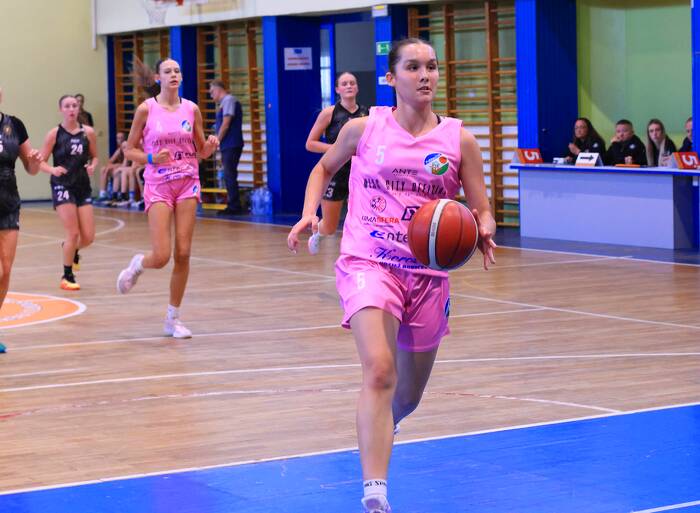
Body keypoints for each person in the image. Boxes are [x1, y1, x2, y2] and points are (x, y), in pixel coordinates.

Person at [287, 38, 496, 513]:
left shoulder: (459, 140)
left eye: (431, 67)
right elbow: (323, 169)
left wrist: (482, 226)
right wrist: (308, 213)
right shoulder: (364, 129)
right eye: (413, 67)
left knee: (407, 395)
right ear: (391, 77)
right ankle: (375, 492)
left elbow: (482, 207)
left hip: (428, 274)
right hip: (369, 261)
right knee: (380, 370)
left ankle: (386, 423)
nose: (425, 75)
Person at [116, 57, 219, 338]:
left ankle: (173, 319)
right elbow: (129, 150)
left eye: (177, 71)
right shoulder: (146, 109)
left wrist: (210, 146)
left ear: (181, 77)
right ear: (158, 78)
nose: (173, 74)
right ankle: (138, 264)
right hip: (159, 184)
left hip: (188, 182)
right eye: (167, 71)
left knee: (183, 253)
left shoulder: (191, 109)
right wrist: (151, 157)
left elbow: (201, 151)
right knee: (162, 256)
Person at [305, 72, 369, 253]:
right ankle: (318, 233)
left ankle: (356, 252)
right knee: (330, 227)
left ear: (357, 88)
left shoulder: (367, 113)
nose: (349, 86)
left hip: (359, 172)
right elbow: (310, 143)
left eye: (352, 83)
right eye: (344, 83)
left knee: (363, 219)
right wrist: (337, 149)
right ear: (337, 89)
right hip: (336, 172)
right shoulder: (329, 113)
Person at [39, 95, 98, 290]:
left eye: (74, 105)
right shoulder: (54, 134)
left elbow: (95, 157)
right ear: (61, 110)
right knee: (72, 232)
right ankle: (67, 276)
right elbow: (40, 161)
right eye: (67, 106)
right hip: (62, 185)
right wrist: (52, 169)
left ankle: (70, 249)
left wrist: (93, 165)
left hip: (82, 185)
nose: (71, 109)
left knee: (88, 237)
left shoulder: (88, 132)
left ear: (78, 108)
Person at [0, 86, 43, 353]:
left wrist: (35, 159)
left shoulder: (14, 125)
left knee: (5, 271)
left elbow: (31, 168)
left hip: (8, 203)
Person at [209, 79, 244, 216]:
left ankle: (234, 205)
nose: (211, 95)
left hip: (231, 143)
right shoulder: (224, 103)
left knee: (229, 174)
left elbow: (226, 123)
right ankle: (233, 203)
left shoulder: (228, 100)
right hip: (228, 144)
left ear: (219, 89)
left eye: (212, 92)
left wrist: (217, 140)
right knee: (229, 174)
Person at [96, 131, 126, 203]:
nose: (119, 140)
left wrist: (115, 165)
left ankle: (115, 195)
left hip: (125, 170)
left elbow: (125, 165)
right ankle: (102, 194)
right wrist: (110, 166)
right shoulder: (119, 150)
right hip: (120, 168)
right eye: (118, 138)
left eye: (121, 138)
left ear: (125, 139)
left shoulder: (127, 148)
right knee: (103, 169)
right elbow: (110, 161)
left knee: (115, 171)